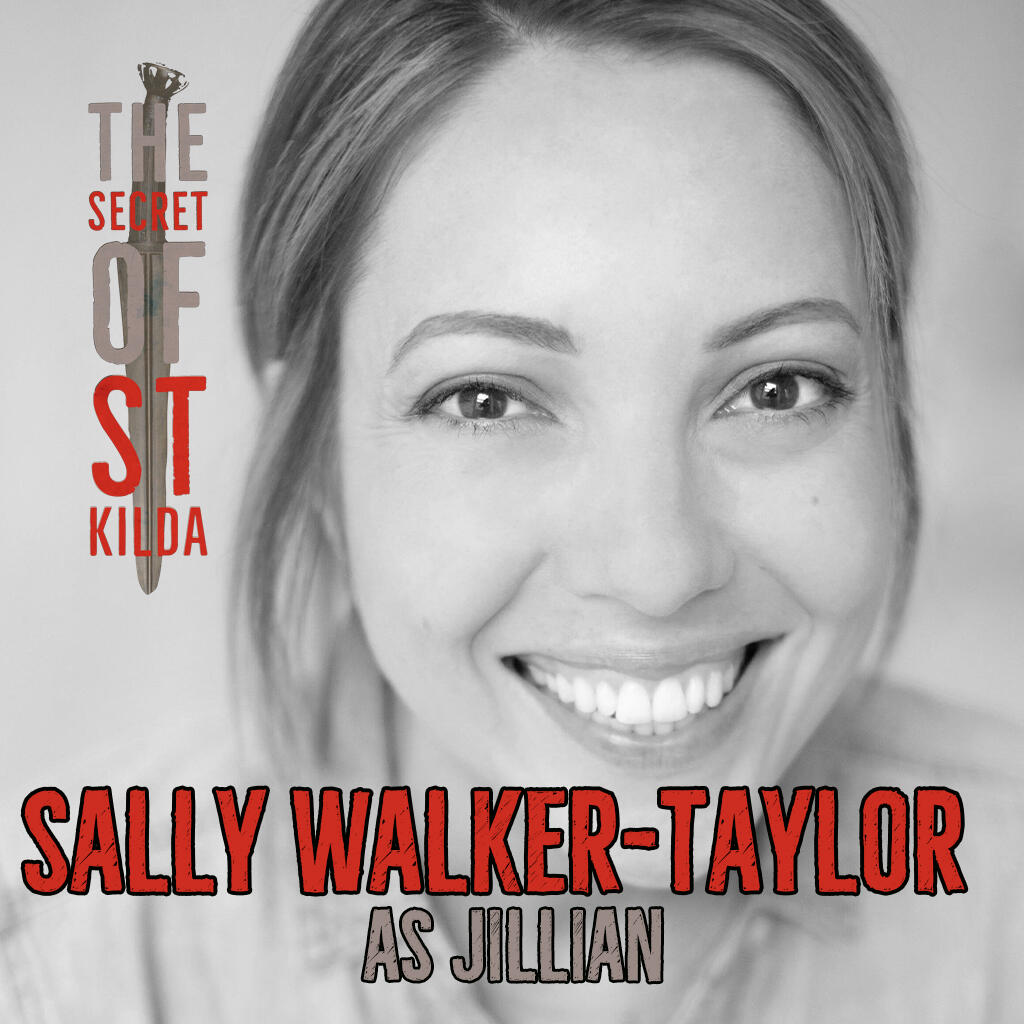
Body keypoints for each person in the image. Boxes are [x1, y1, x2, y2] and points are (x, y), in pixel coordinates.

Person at [2, 0, 1021, 1021]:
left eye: (776, 388)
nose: (656, 569)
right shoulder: (71, 974)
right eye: (485, 400)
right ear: (310, 458)